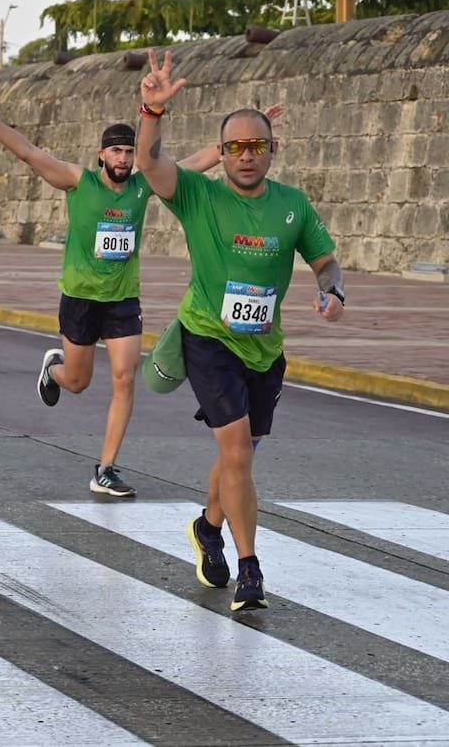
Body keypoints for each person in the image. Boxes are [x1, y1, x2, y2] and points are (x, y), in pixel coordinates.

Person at [0, 72, 262, 498]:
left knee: (124, 376)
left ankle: (106, 468)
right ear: (101, 155)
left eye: (127, 152)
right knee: (78, 382)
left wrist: (245, 139)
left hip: (122, 300)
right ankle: (54, 369)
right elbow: (28, 153)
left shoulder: (141, 186)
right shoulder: (76, 181)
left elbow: (194, 163)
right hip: (80, 299)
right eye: (115, 151)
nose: (122, 159)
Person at [135, 48, 344, 612]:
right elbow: (151, 167)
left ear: (273, 150)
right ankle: (249, 570)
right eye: (234, 147)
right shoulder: (200, 196)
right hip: (207, 337)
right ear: (221, 152)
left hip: (264, 348)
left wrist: (333, 288)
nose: (246, 156)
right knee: (238, 453)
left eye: (257, 146)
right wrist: (150, 113)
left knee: (240, 455)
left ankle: (207, 526)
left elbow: (325, 259)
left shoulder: (292, 205)